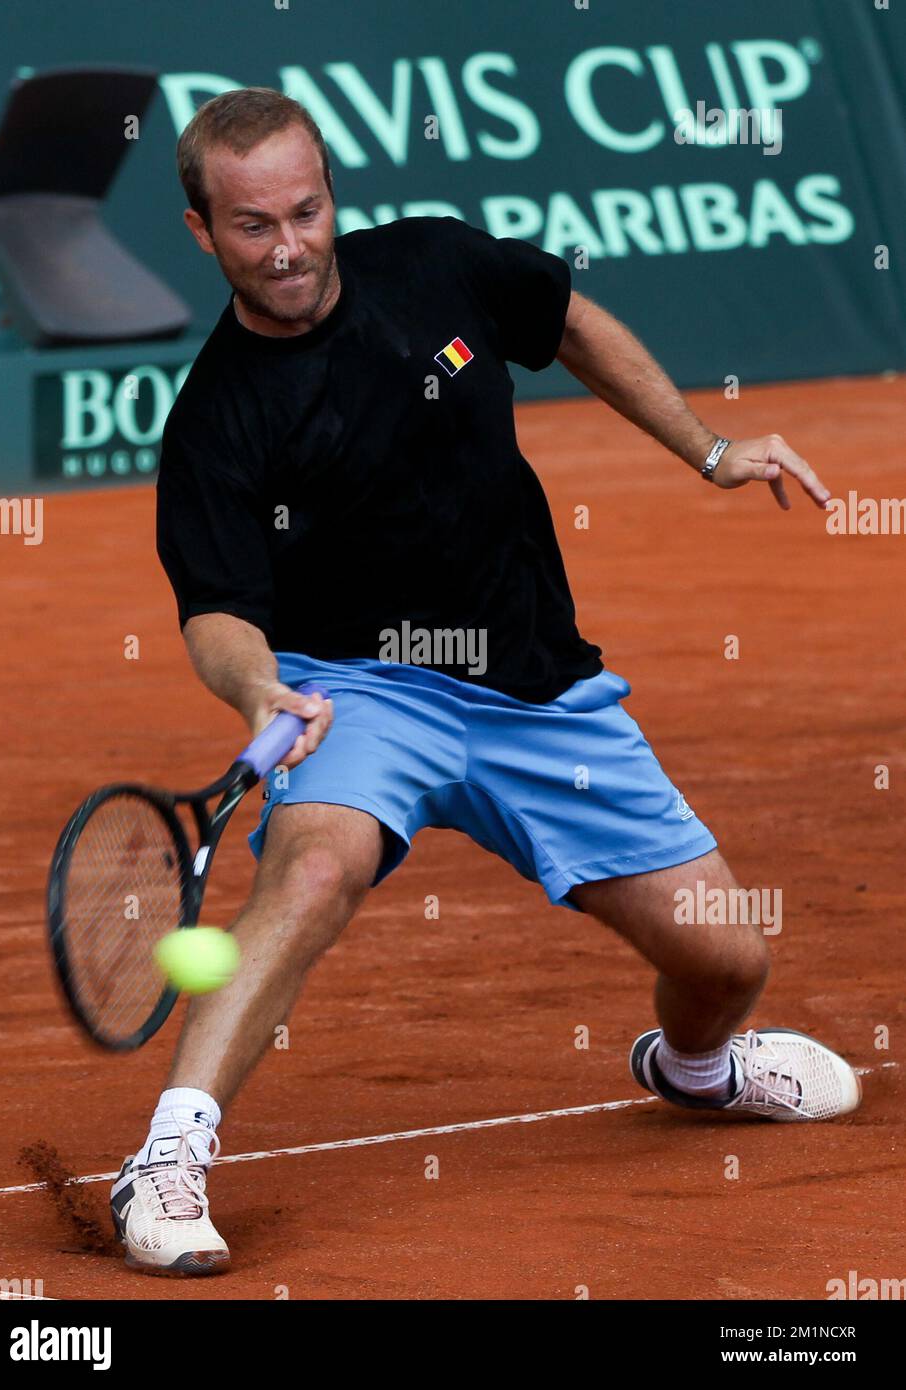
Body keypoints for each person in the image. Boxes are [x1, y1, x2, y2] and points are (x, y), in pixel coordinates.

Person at [109, 88, 860, 1276]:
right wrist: (260, 693)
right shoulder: (216, 419)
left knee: (726, 957)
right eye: (254, 227)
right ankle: (165, 1158)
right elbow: (216, 613)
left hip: (535, 687)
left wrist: (710, 451)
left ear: (331, 197)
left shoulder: (437, 265)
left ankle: (699, 1070)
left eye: (306, 211)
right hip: (360, 690)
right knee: (313, 866)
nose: (291, 245)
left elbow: (568, 320)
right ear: (203, 232)